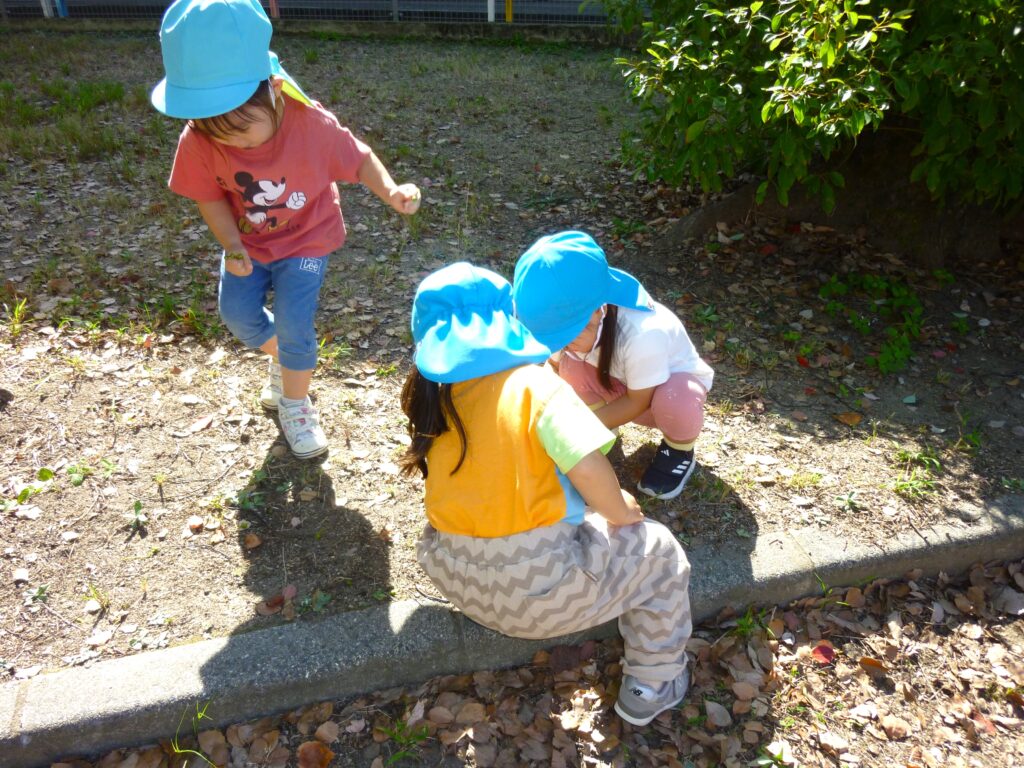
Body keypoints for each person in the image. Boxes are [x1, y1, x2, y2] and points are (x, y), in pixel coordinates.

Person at [400, 262, 693, 726]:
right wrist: (620, 511)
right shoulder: (536, 387)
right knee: (658, 551)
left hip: (459, 579)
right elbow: (586, 466)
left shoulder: (438, 399)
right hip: (540, 594)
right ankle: (652, 681)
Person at [150, 0, 420, 458]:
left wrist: (392, 190)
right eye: (211, 127)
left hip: (306, 240)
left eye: (239, 127)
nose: (227, 140)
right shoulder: (200, 137)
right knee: (237, 314)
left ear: (273, 89)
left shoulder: (310, 124)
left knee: (296, 323)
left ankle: (295, 402)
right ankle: (286, 360)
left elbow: (358, 158)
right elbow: (208, 196)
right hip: (247, 241)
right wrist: (231, 243)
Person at [512, 231, 713, 500]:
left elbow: (638, 401)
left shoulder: (644, 334)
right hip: (620, 383)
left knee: (678, 399)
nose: (559, 345)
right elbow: (553, 368)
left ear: (598, 310)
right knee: (568, 369)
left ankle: (678, 449)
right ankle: (603, 431)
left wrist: (578, 427)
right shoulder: (576, 314)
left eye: (565, 336)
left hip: (657, 397)